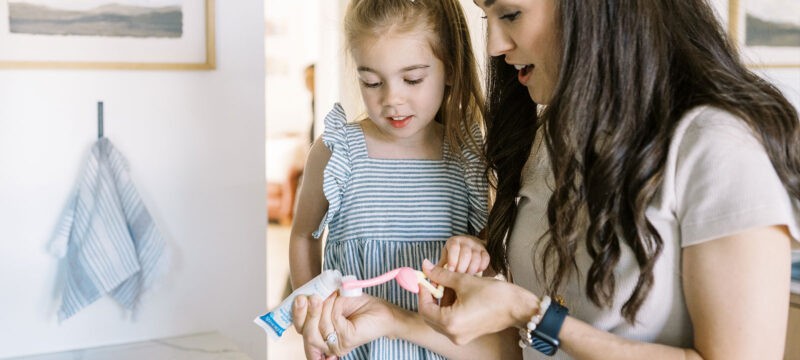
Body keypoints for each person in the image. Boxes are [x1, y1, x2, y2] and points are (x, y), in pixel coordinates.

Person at [292, 0, 800, 359]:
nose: (491, 44)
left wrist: (528, 311)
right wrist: (394, 321)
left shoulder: (718, 147)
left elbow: (542, 326)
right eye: (486, 16)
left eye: (509, 13)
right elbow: (534, 352)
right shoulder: (545, 144)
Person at [288, 0, 490, 358]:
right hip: (356, 347)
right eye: (372, 81)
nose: (392, 99)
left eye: (412, 79)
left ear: (451, 70)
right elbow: (304, 234)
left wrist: (478, 252)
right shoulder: (338, 151)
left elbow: (489, 262)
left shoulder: (467, 157)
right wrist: (314, 314)